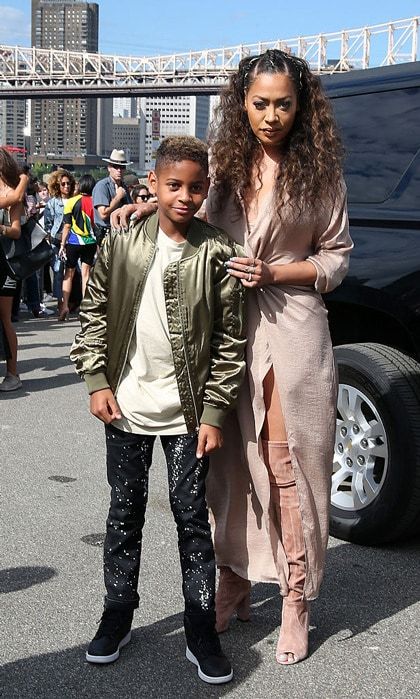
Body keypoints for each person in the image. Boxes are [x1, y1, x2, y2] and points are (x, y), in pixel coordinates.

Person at [70, 136, 246, 684]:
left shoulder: (218, 251)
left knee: (193, 520)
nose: (185, 196)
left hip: (189, 416)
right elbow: (95, 311)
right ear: (153, 184)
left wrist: (215, 414)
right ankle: (117, 614)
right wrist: (97, 381)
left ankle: (200, 628)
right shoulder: (122, 241)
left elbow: (230, 341)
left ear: (207, 189)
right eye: (174, 185)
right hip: (125, 407)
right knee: (124, 514)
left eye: (197, 187)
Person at [203, 49, 353, 666]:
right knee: (230, 462)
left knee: (289, 464)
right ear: (242, 104)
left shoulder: (320, 173)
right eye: (260, 103)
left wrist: (274, 270)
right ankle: (234, 578)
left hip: (292, 326)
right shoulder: (224, 165)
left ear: (302, 105)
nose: (271, 116)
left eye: (283, 103)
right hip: (228, 329)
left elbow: (337, 258)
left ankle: (296, 597)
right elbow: (197, 234)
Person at [0, 148, 26, 392]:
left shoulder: (13, 196)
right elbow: (13, 198)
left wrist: (2, 229)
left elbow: (16, 230)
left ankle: (13, 373)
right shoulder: (13, 195)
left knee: (5, 318)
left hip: (5, 264)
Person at [58, 174, 96, 322]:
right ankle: (85, 307)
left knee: (69, 273)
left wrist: (62, 245)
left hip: (73, 242)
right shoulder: (94, 202)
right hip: (90, 242)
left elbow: (67, 225)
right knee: (86, 274)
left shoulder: (71, 202)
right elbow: (95, 224)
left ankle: (65, 305)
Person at [44, 170, 76, 314]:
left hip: (73, 240)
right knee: (58, 271)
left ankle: (70, 302)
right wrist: (51, 236)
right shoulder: (52, 203)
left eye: (68, 183)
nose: (66, 186)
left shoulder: (75, 200)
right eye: (63, 184)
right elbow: (48, 223)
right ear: (57, 185)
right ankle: (59, 302)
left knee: (74, 271)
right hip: (56, 240)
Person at [92, 149, 132, 246]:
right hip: (106, 234)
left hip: (122, 233)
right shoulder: (102, 186)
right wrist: (118, 198)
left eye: (122, 167)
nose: (119, 170)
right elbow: (103, 214)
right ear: (109, 168)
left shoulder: (124, 187)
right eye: (116, 166)